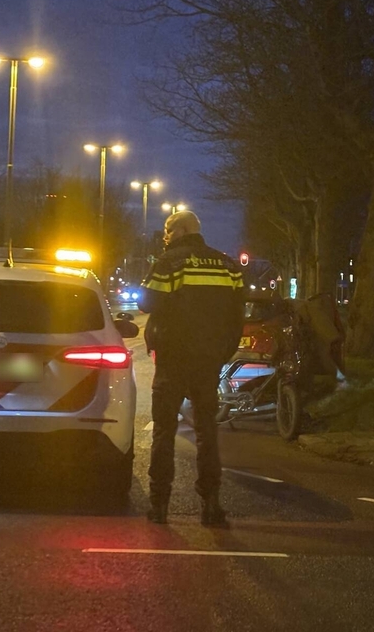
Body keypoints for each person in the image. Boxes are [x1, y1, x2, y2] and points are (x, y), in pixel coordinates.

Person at [138, 210, 245, 527]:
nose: (165, 237)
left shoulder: (170, 262)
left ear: (182, 230)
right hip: (208, 359)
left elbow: (146, 303)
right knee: (207, 431)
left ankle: (159, 505)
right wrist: (222, 352)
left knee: (164, 431)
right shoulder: (227, 265)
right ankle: (211, 504)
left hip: (173, 358)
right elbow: (237, 315)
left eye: (168, 230)